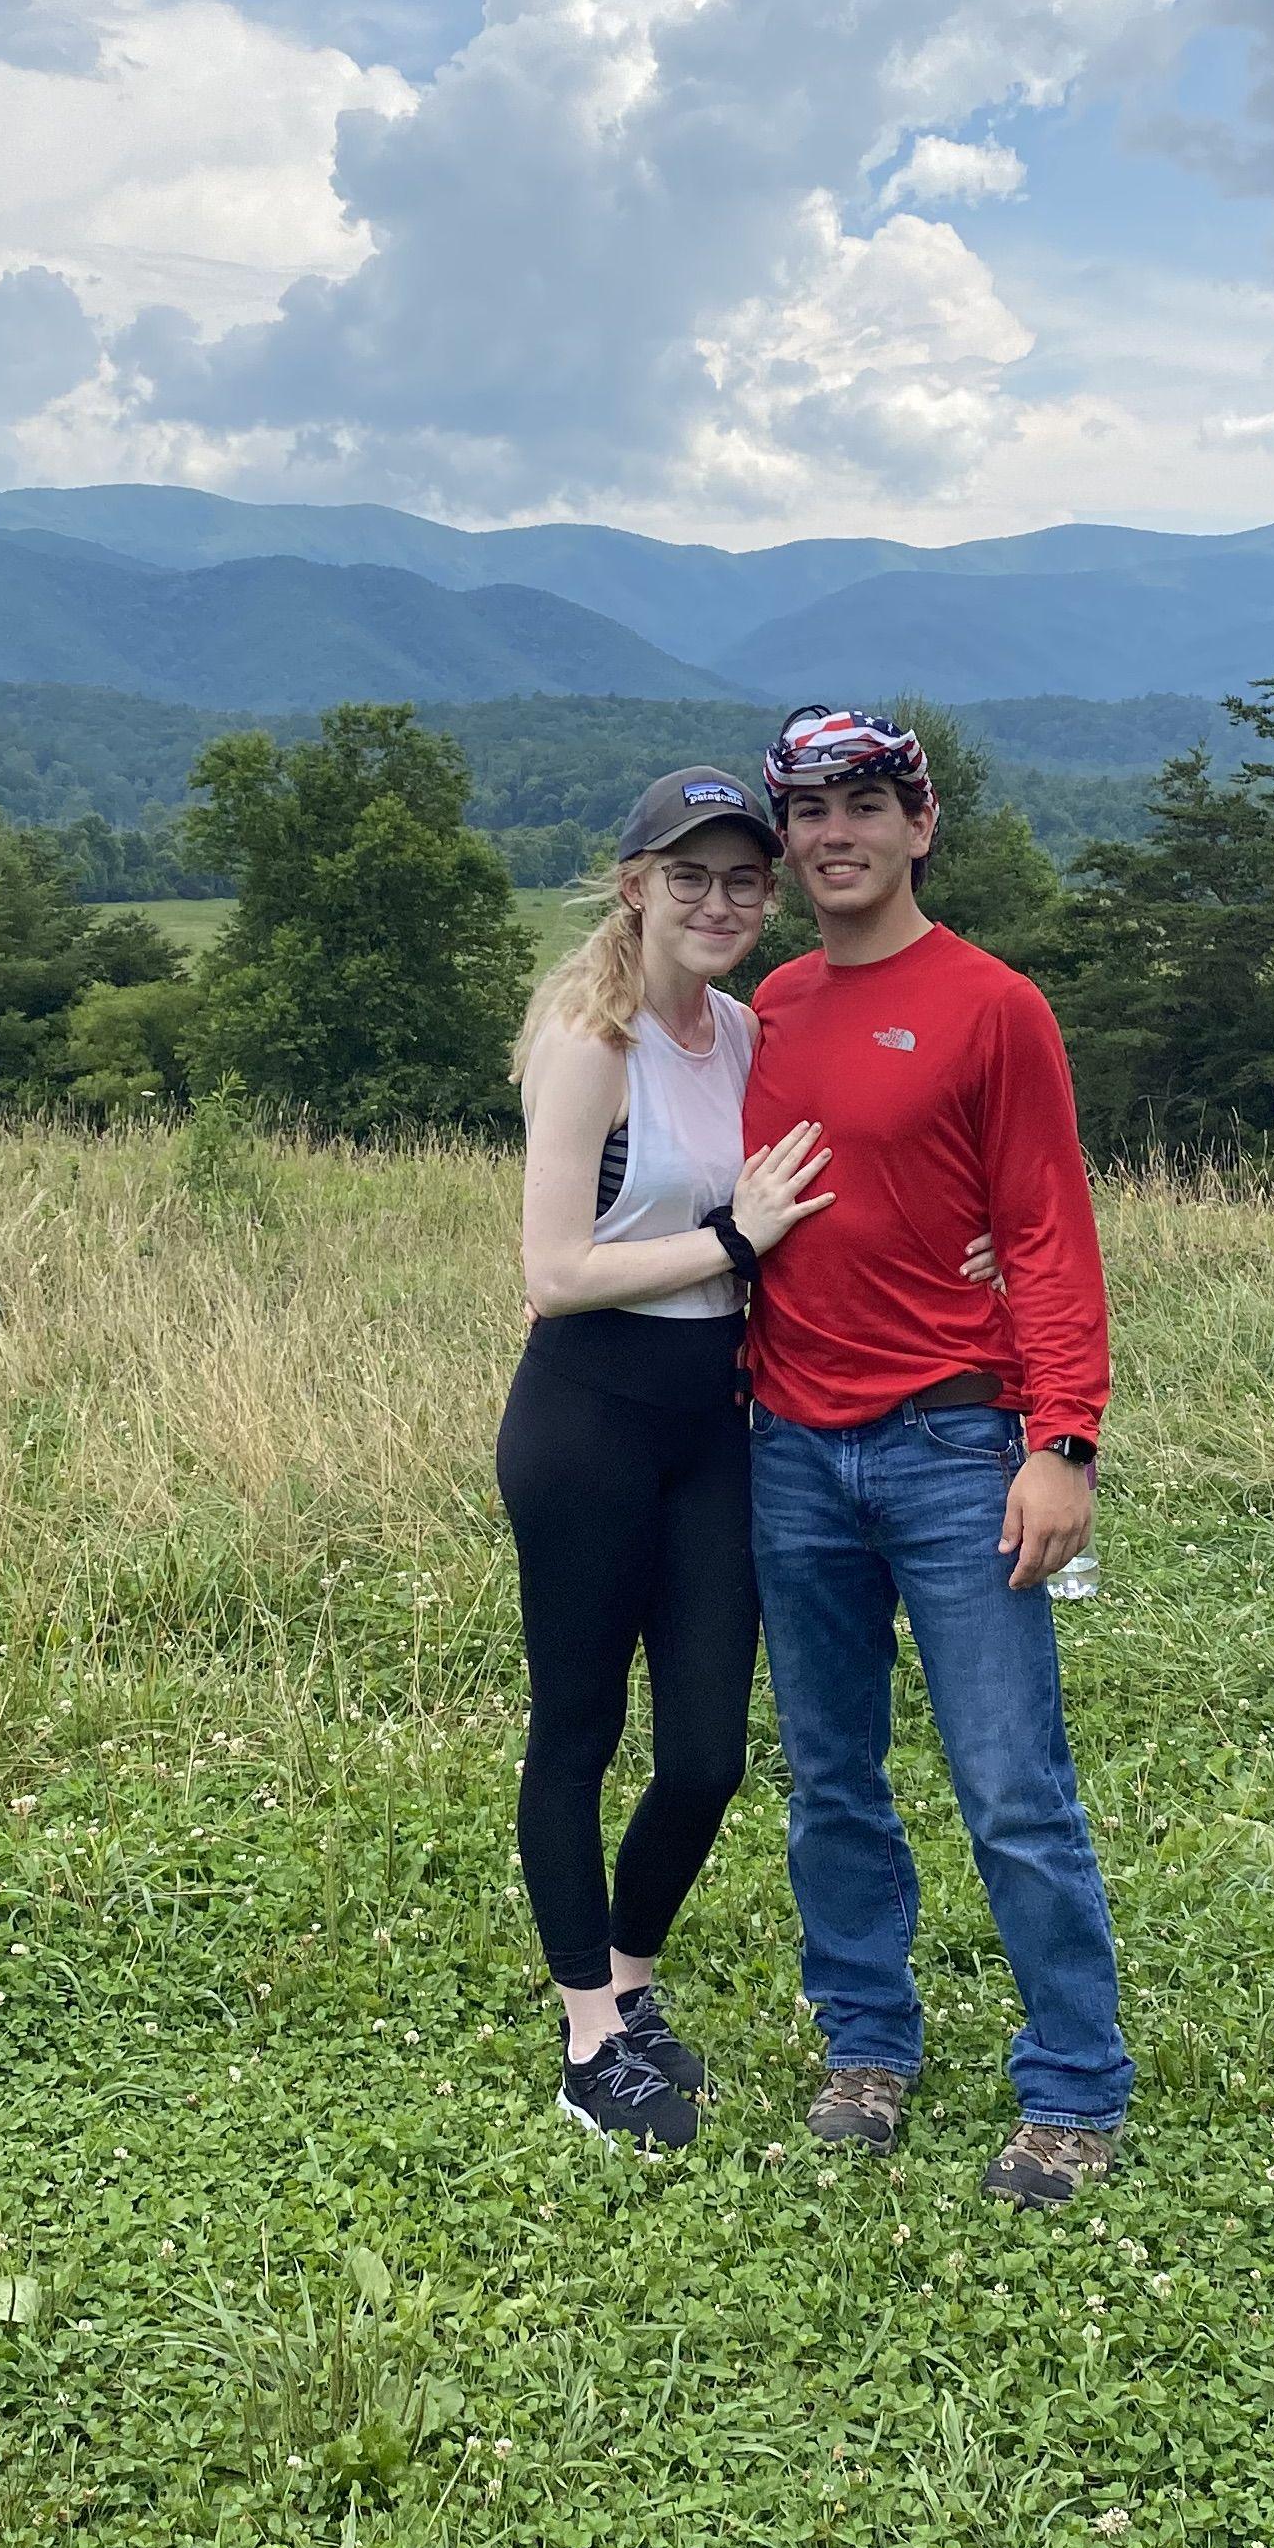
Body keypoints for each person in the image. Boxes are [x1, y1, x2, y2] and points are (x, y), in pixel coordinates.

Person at [740, 704, 1130, 2207]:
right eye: (806, 811)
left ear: (920, 820)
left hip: (958, 1446)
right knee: (832, 1773)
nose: (832, 833)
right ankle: (866, 2042)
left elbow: (1043, 1230)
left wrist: (1063, 1441)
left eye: (860, 803)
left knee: (1009, 1778)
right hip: (791, 1449)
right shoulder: (765, 1006)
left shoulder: (991, 1007)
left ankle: (1076, 2089)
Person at [497, 767, 832, 2148]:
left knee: (704, 1754)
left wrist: (972, 1252)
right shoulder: (594, 1038)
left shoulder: (748, 1032)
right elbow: (555, 1269)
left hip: (715, 1423)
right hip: (586, 1421)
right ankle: (588, 2039)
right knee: (578, 1729)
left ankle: (635, 1984)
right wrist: (735, 1246)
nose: (716, 900)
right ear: (633, 885)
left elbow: (822, 1187)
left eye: (741, 878)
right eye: (686, 875)